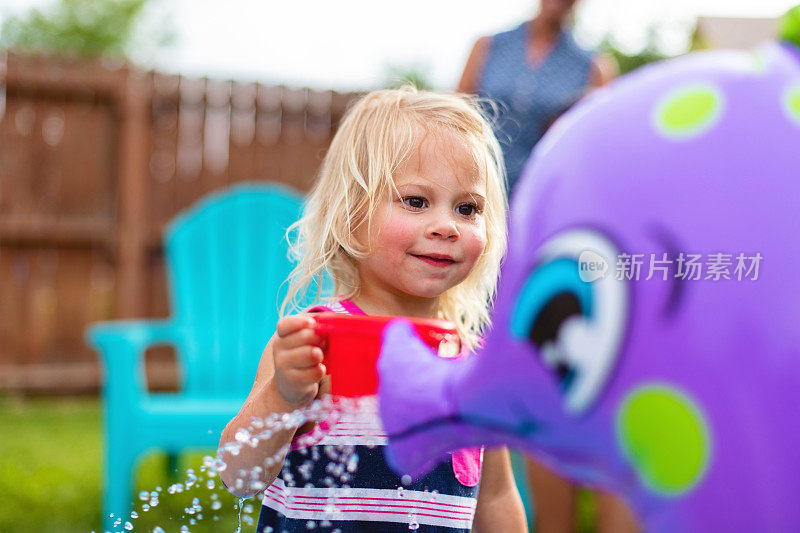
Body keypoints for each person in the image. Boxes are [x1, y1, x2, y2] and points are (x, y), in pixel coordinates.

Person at [219, 86, 527, 532]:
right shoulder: (316, 341)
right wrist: (283, 396)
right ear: (350, 214)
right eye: (416, 201)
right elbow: (238, 474)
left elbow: (496, 497)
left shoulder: (472, 366)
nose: (446, 226)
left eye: (467, 208)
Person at [457, 0, 615, 195]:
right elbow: (457, 115)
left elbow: (591, 144)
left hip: (539, 191)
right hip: (476, 183)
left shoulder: (592, 67)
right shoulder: (489, 46)